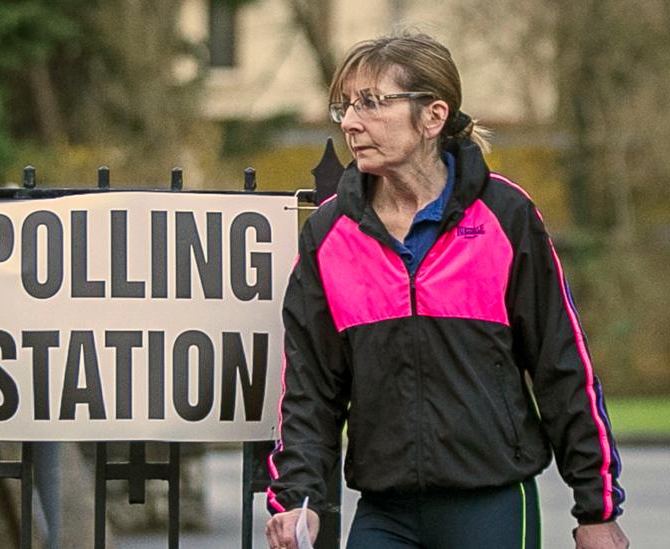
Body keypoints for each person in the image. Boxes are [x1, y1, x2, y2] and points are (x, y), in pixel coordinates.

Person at [264, 33, 629, 549]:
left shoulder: (506, 216)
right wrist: (297, 498)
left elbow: (562, 366)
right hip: (384, 510)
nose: (350, 122)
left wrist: (597, 509)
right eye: (345, 106)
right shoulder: (328, 235)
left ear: (433, 116)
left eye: (371, 103)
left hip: (491, 503)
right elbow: (309, 388)